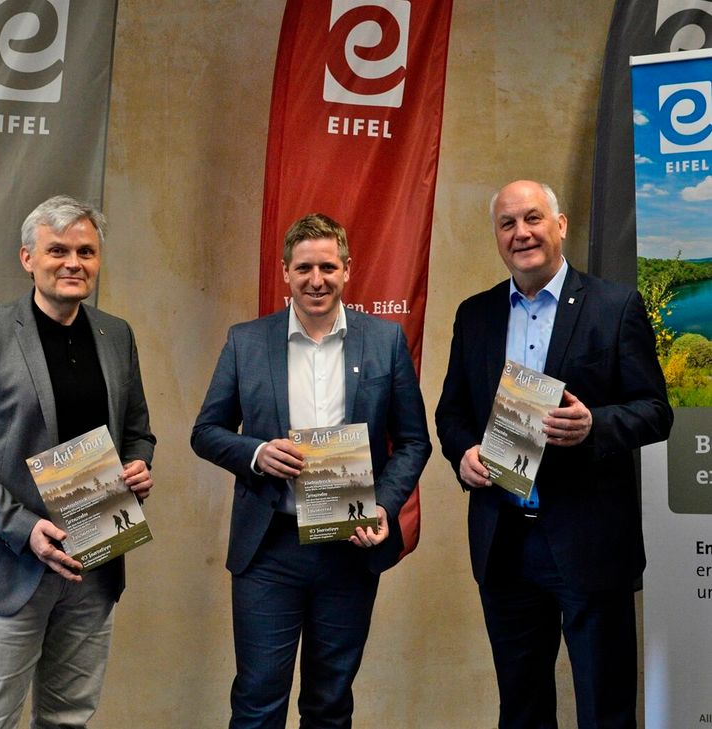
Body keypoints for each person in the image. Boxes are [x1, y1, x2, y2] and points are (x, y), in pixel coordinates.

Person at [435, 180, 673, 729]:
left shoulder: (614, 306)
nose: (521, 233)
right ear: (497, 236)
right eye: (507, 223)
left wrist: (595, 425)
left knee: (605, 710)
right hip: (505, 543)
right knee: (521, 710)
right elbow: (452, 414)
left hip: (589, 543)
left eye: (533, 218)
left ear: (560, 225)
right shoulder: (475, 315)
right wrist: (464, 453)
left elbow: (655, 411)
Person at [0, 195, 156, 729]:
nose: (74, 263)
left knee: (69, 718)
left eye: (86, 251)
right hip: (10, 567)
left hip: (94, 563)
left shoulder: (116, 335)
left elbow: (138, 431)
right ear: (28, 258)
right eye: (58, 250)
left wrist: (138, 465)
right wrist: (23, 528)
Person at [191, 213, 431, 728]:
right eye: (303, 268)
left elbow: (414, 441)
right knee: (258, 700)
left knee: (330, 702)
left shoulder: (385, 341)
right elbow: (206, 431)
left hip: (349, 547)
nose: (316, 280)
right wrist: (256, 453)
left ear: (348, 269)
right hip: (269, 549)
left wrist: (384, 506)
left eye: (327, 267)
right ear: (285, 272)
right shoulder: (246, 341)